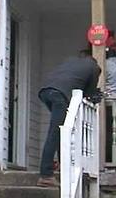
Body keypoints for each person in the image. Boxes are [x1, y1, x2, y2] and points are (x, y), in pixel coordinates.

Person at [37, 49, 101, 187]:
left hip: (45, 91)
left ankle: (62, 163)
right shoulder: (94, 68)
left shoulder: (71, 61)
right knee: (55, 133)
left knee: (62, 129)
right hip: (60, 95)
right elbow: (89, 93)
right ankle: (46, 175)